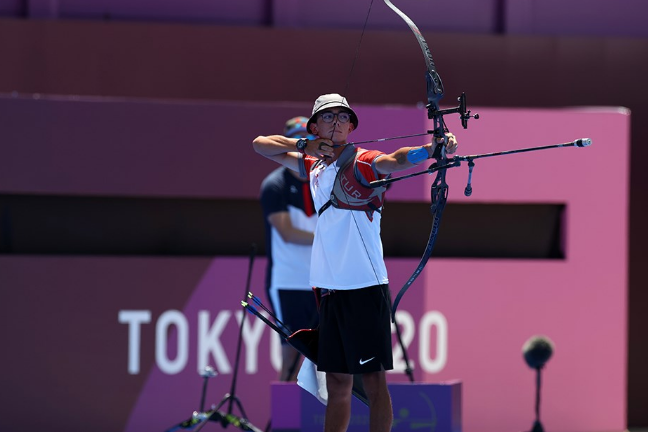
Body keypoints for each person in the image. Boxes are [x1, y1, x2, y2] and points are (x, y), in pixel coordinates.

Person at [253, 94, 457, 432]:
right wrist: (305, 144)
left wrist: (431, 150)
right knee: (336, 382)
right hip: (329, 289)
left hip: (363, 287)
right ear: (315, 126)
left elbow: (394, 161)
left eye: (342, 117)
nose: (336, 122)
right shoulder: (312, 165)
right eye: (328, 117)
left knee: (374, 383)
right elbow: (261, 145)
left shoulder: (362, 161)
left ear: (351, 126)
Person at [260, 116, 319, 382]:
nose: (300, 151)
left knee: (327, 357)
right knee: (291, 355)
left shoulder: (325, 179)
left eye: (306, 142)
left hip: (324, 281)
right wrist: (331, 239)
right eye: (297, 142)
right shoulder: (275, 185)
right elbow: (287, 232)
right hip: (289, 281)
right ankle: (287, 418)